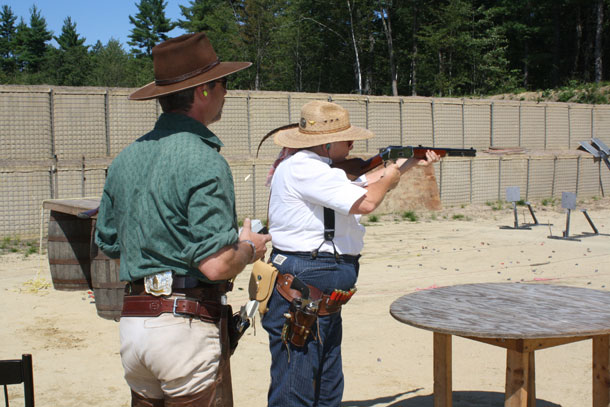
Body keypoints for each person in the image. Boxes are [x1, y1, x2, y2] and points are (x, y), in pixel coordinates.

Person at [94, 32, 271, 407]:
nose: (226, 92)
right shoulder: (205, 158)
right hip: (183, 328)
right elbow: (216, 264)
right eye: (223, 84)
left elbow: (109, 243)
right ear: (203, 90)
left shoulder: (126, 158)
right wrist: (248, 248)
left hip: (134, 327)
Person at [260, 100, 440, 407]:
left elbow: (360, 184)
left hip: (315, 277)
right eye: (346, 138)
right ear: (327, 142)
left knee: (325, 379)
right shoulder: (307, 168)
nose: (352, 143)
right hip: (308, 276)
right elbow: (367, 201)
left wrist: (408, 164)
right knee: (297, 381)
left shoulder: (317, 169)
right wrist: (392, 176)